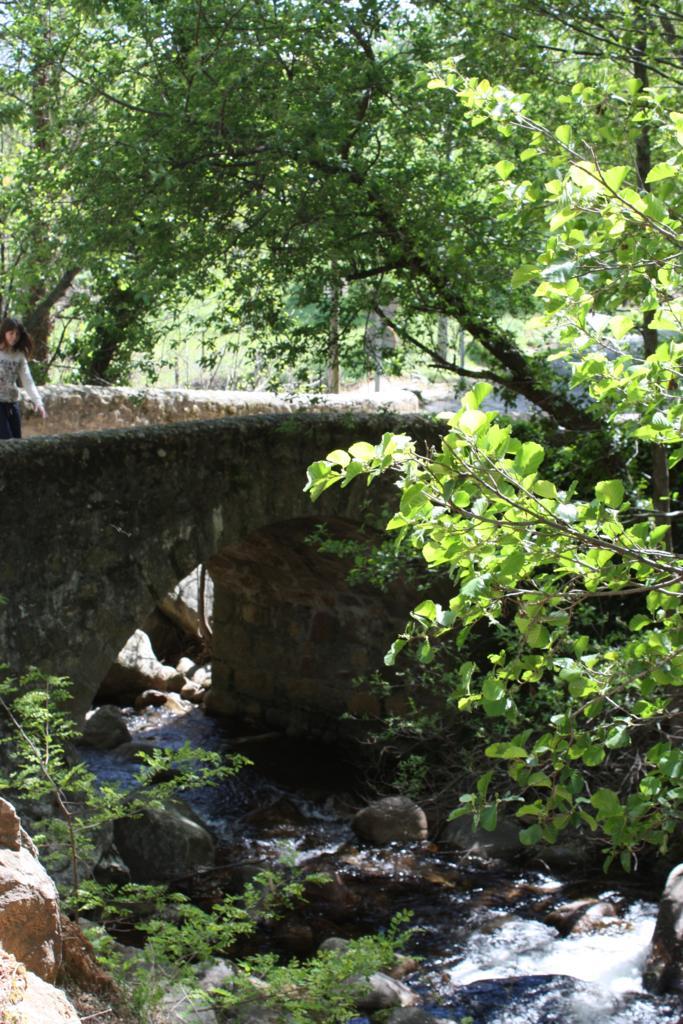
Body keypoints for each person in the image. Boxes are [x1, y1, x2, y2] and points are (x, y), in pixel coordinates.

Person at [0, 317, 47, 439]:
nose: (14, 337)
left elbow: (27, 380)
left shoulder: (19, 355)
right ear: (4, 332)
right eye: (11, 333)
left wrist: (38, 402)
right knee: (6, 440)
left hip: (12, 402)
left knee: (17, 441)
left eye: (17, 334)